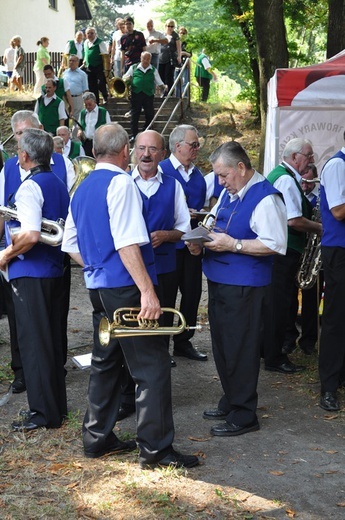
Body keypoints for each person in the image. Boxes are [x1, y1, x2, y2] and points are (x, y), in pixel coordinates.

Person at [61, 122, 199, 469]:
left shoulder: (82, 185)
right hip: (125, 288)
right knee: (152, 367)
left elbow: (70, 244)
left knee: (106, 363)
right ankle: (156, 450)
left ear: (94, 151)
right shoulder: (121, 182)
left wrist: (97, 266)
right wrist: (147, 291)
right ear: (125, 152)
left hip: (98, 287)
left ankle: (96, 438)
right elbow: (127, 242)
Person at [187, 141, 287, 436]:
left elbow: (275, 243)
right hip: (221, 281)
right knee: (223, 345)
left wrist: (234, 244)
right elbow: (213, 224)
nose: (220, 182)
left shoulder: (266, 198)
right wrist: (199, 242)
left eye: (223, 176)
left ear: (241, 168)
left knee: (241, 348)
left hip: (245, 286)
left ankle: (245, 414)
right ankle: (232, 399)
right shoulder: (231, 192)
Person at [0, 110, 75, 394]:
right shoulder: (7, 167)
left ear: (41, 132)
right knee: (21, 318)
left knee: (55, 314)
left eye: (28, 132)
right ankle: (23, 371)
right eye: (19, 135)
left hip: (50, 255)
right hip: (18, 256)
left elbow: (68, 210)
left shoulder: (62, 165)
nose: (24, 139)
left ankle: (54, 368)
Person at [264, 138, 322, 374]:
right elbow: (294, 220)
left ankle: (270, 351)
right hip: (284, 251)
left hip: (280, 250)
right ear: (295, 156)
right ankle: (275, 358)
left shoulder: (281, 176)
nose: (311, 160)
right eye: (308, 155)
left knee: (279, 304)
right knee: (280, 305)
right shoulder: (287, 180)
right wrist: (320, 227)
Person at [159, 125, 207, 361]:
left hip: (192, 246)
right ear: (178, 146)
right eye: (193, 144)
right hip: (168, 246)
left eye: (197, 144)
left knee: (192, 295)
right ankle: (162, 345)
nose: (197, 149)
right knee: (166, 298)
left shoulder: (198, 176)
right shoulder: (161, 170)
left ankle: (183, 342)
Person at [318, 135, 345, 411]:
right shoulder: (338, 165)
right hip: (339, 251)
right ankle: (328, 385)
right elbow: (338, 211)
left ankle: (340, 375)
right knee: (336, 318)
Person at [283, 163, 320, 356]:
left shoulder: (318, 199)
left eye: (309, 178)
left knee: (311, 299)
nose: (305, 182)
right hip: (295, 252)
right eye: (303, 176)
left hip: (312, 255)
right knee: (289, 297)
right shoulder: (293, 190)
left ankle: (309, 340)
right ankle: (289, 337)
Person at [123, 51, 166, 142]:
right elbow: (125, 78)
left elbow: (159, 81)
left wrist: (164, 87)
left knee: (150, 115)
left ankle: (145, 133)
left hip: (148, 95)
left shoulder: (153, 70)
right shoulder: (133, 67)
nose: (146, 61)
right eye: (144, 58)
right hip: (136, 94)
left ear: (150, 59)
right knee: (135, 116)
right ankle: (134, 136)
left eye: (148, 59)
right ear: (140, 58)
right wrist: (127, 81)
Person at [78, 91, 111, 157]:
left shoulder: (103, 112)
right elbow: (80, 126)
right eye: (85, 105)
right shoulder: (82, 113)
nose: (87, 106)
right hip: (86, 142)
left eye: (90, 104)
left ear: (95, 102)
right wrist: (80, 131)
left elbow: (109, 127)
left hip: (99, 142)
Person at [83, 27, 108, 105]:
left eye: (92, 33)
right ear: (86, 35)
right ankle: (95, 102)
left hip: (98, 66)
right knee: (92, 86)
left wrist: (106, 69)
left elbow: (105, 55)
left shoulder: (100, 43)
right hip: (89, 68)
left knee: (101, 83)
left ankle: (105, 96)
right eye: (88, 33)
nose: (90, 35)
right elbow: (85, 54)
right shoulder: (85, 42)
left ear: (95, 34)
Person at [63, 55, 89, 122]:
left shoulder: (82, 74)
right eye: (70, 61)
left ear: (77, 62)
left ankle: (76, 132)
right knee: (66, 117)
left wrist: (86, 101)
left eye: (73, 61)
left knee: (77, 118)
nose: (71, 62)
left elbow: (85, 89)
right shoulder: (65, 73)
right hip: (66, 98)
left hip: (77, 98)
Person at [159, 19, 181, 94]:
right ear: (165, 26)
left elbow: (178, 47)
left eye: (172, 26)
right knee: (161, 75)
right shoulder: (162, 34)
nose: (170, 28)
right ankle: (163, 91)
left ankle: (169, 93)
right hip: (161, 57)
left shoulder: (175, 35)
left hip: (170, 58)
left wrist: (179, 56)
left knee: (169, 76)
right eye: (169, 26)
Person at [174, 27, 191, 98]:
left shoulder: (188, 44)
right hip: (176, 64)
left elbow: (190, 54)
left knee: (185, 80)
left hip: (185, 63)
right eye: (181, 33)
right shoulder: (175, 42)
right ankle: (177, 97)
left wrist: (183, 53)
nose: (182, 34)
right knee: (176, 81)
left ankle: (185, 96)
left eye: (184, 33)